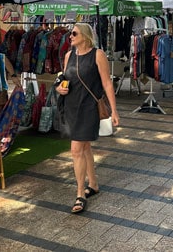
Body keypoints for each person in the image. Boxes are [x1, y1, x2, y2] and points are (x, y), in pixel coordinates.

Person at [55, 23, 120, 214]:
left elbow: (107, 84)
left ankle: (80, 194)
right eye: (70, 34)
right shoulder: (69, 56)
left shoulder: (97, 54)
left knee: (76, 150)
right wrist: (60, 88)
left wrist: (114, 110)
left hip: (88, 108)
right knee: (84, 147)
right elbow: (64, 79)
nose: (71, 36)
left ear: (85, 35)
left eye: (74, 33)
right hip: (71, 106)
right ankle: (93, 183)